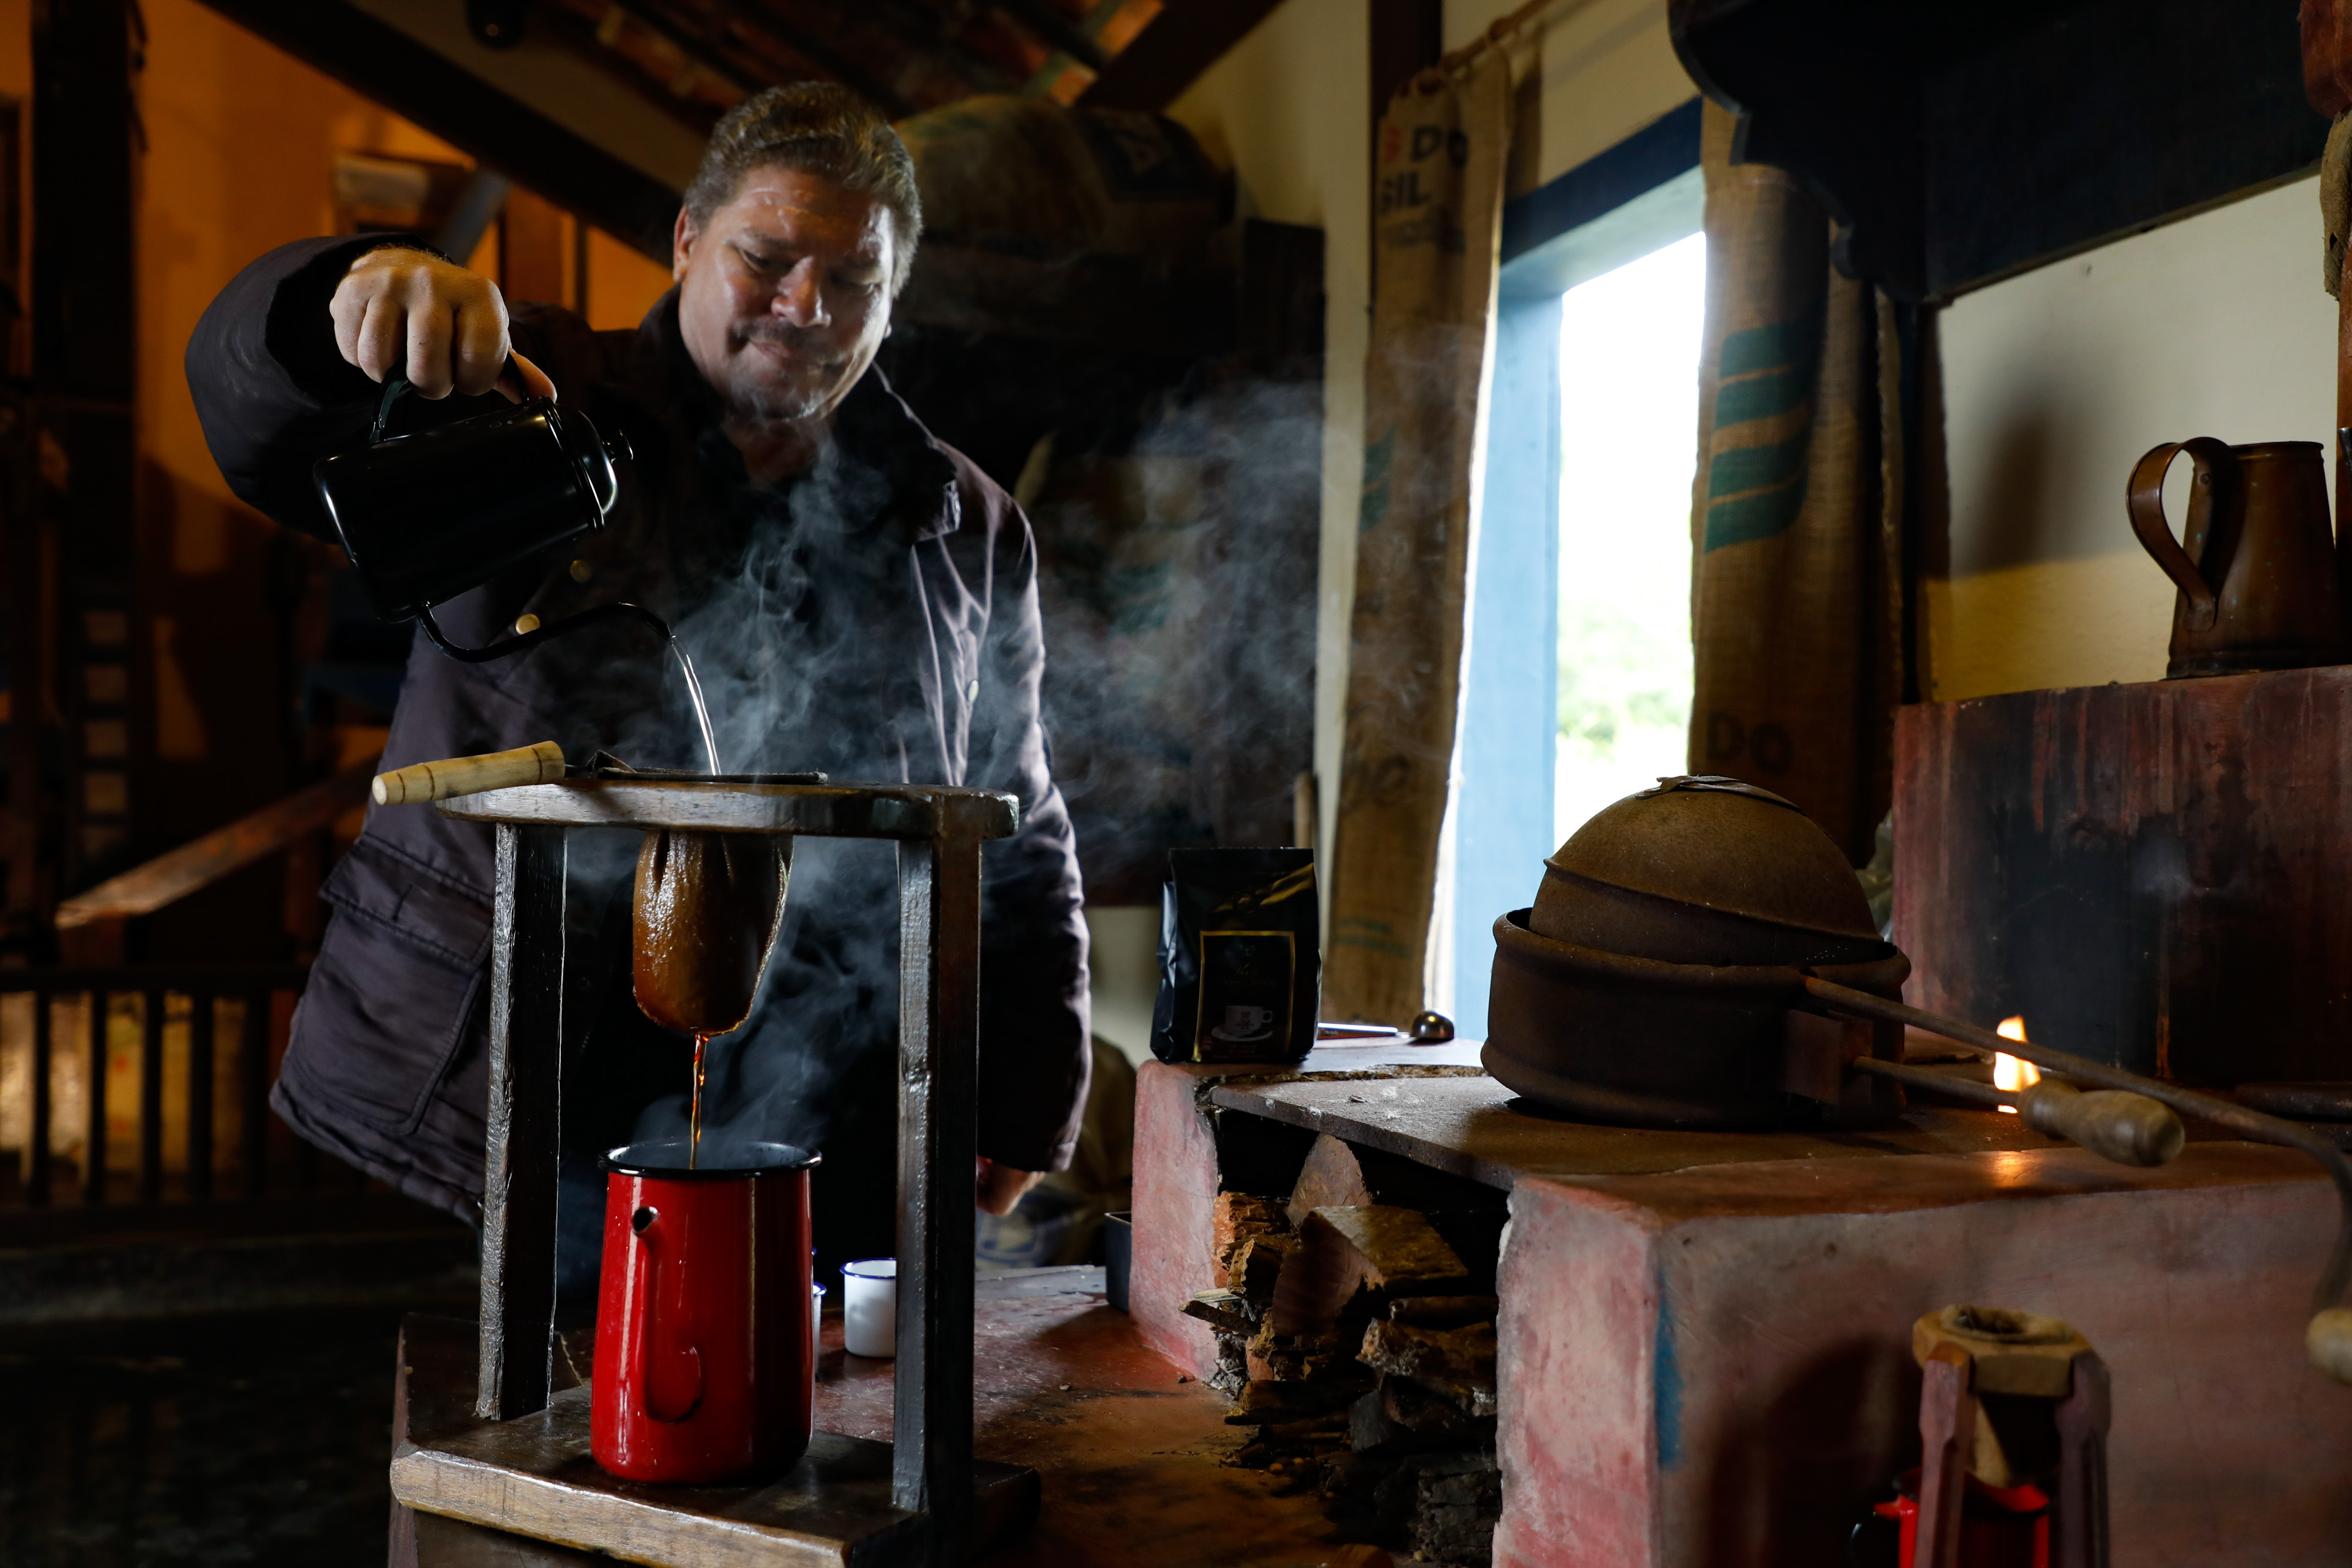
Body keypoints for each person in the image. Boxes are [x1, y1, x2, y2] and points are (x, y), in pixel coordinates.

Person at [185, 84, 1091, 1292]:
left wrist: (1030, 1095)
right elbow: (263, 429)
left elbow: (1015, 811)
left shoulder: (961, 520)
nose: (806, 307)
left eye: (853, 282)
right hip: (545, 1076)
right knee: (573, 1421)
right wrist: (339, 301)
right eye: (765, 258)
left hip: (846, 1081)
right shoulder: (528, 398)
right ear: (685, 241)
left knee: (829, 1435)